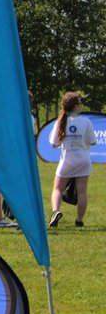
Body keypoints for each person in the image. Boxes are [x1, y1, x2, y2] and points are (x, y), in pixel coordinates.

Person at [49, 92, 94, 228]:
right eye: (80, 103)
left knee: (57, 188)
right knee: (82, 192)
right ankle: (79, 220)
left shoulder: (61, 121)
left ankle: (56, 211)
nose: (81, 105)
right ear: (75, 107)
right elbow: (92, 141)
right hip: (83, 160)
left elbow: (53, 144)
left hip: (67, 160)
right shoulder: (86, 121)